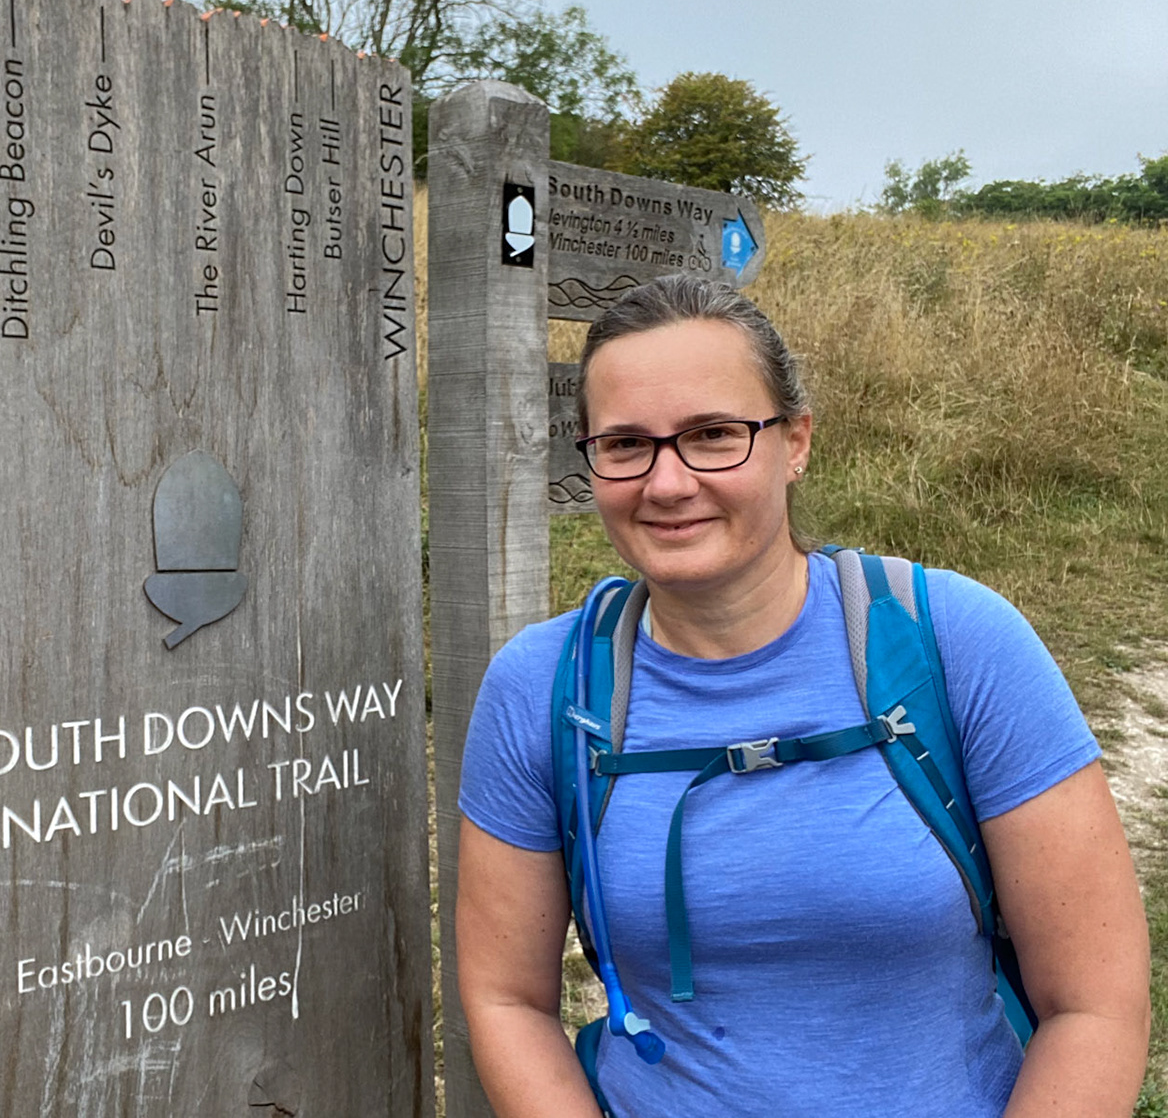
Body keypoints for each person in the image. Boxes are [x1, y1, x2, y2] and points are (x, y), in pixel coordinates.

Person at [456, 274, 1148, 1117]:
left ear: (796, 441)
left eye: (714, 434)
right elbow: (508, 1000)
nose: (667, 482)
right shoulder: (543, 688)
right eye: (625, 443)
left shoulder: (958, 643)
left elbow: (1095, 1004)